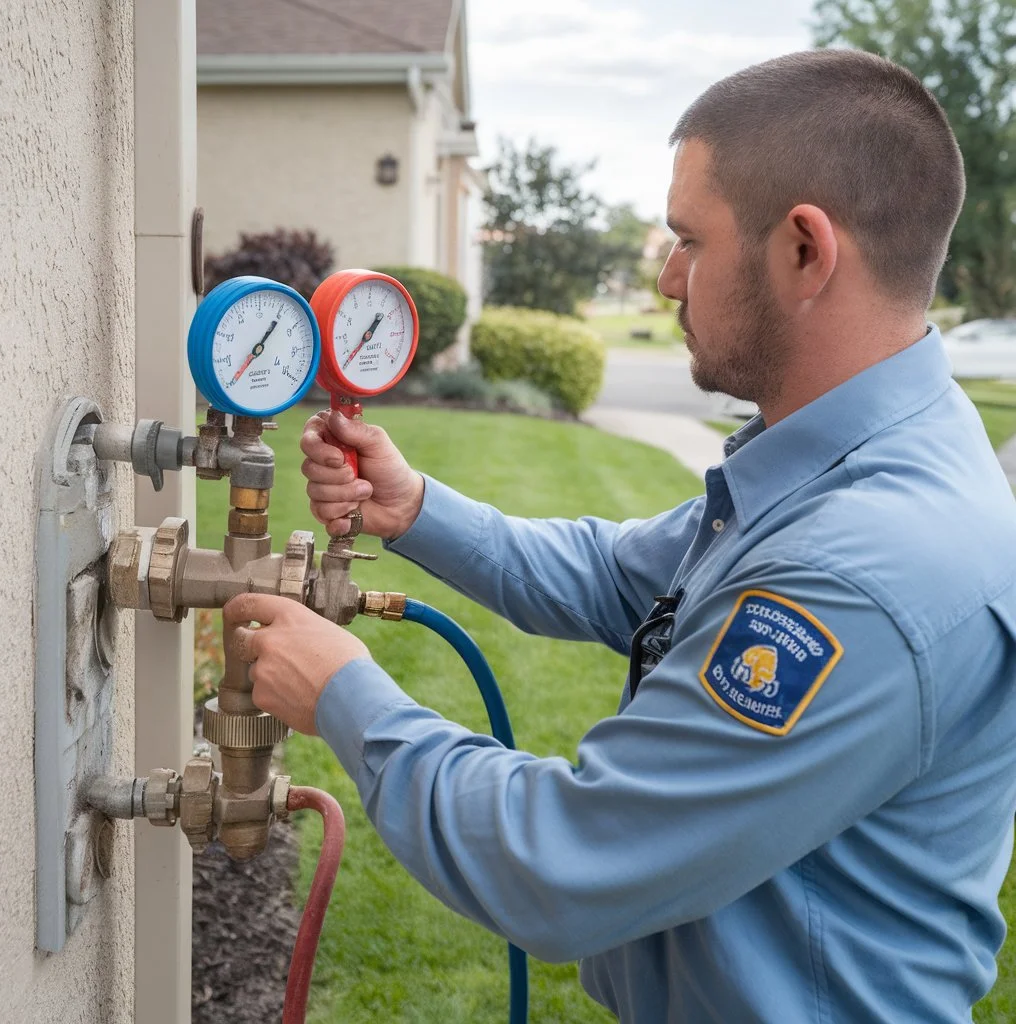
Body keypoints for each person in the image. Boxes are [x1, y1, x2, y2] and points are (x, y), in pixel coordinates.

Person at [224, 49, 1016, 1023]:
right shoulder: (844, 462)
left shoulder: (864, 567)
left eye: (688, 239)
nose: (667, 277)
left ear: (805, 250)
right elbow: (619, 575)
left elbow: (560, 863)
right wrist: (415, 505)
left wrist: (345, 691)